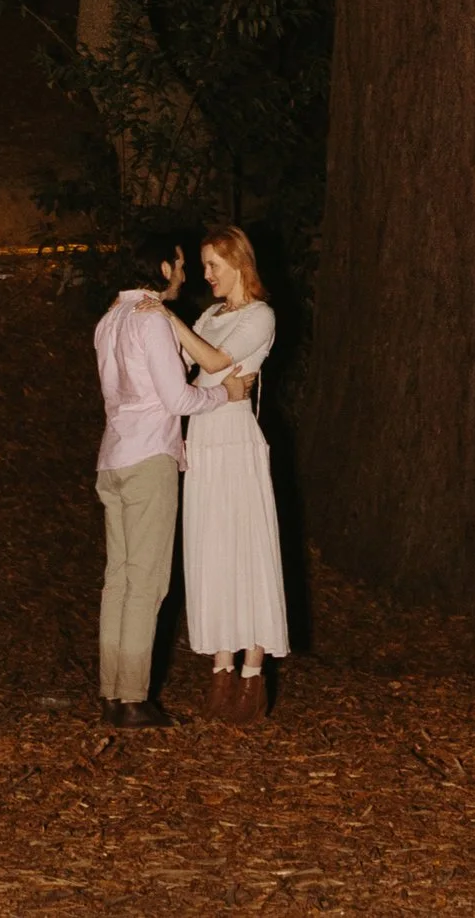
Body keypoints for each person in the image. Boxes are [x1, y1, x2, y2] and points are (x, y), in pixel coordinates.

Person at [150, 223, 287, 718]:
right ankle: (221, 669)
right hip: (204, 440)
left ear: (239, 265)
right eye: (204, 265)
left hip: (236, 440)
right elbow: (181, 363)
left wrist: (167, 318)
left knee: (245, 547)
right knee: (212, 550)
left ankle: (252, 672)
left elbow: (211, 358)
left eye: (213, 265)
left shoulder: (260, 316)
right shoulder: (209, 314)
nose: (206, 274)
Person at [90, 242, 200, 726]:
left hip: (113, 457)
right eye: (178, 264)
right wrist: (224, 393)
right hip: (148, 457)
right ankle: (133, 697)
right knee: (147, 581)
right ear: (162, 267)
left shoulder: (110, 318)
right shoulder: (149, 318)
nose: (183, 272)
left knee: (119, 578)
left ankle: (112, 692)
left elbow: (142, 385)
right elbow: (177, 399)